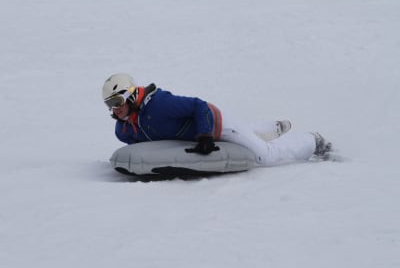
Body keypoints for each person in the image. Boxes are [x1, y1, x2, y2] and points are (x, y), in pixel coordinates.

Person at [102, 73, 332, 166]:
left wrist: (204, 134)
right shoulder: (124, 131)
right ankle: (272, 127)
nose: (114, 111)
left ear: (130, 95)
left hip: (217, 124)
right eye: (109, 106)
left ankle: (313, 140)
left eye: (116, 103)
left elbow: (198, 106)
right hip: (196, 132)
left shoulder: (160, 105)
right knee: (248, 132)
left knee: (267, 157)